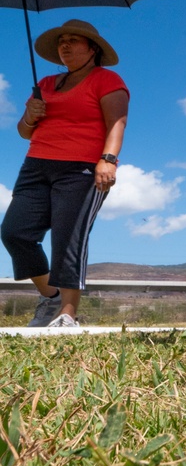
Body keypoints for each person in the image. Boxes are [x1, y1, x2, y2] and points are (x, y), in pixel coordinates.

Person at [2, 20, 128, 331]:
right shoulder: (44, 84)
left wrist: (108, 160)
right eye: (62, 41)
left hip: (82, 168)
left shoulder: (107, 80)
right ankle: (50, 297)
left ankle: (67, 314)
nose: (65, 46)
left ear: (93, 49)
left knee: (68, 238)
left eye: (74, 40)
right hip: (36, 166)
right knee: (15, 232)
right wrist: (29, 116)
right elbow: (23, 131)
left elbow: (117, 123)